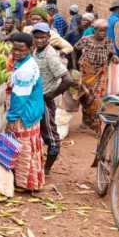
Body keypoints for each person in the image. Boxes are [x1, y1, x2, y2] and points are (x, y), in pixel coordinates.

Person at [32, 23, 73, 175]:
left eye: (43, 37)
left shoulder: (50, 55)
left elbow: (68, 80)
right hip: (35, 99)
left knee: (51, 137)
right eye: (36, 37)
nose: (39, 40)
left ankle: (47, 169)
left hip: (44, 100)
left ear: (49, 38)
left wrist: (50, 95)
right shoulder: (37, 50)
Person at [6, 32, 46, 191]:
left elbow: (20, 98)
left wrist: (11, 119)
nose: (16, 52)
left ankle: (24, 183)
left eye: (21, 49)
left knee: (22, 149)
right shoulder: (26, 62)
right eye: (14, 49)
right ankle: (31, 181)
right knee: (29, 147)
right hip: (32, 112)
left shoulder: (26, 69)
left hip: (24, 114)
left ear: (30, 48)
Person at [75, 19, 114, 132]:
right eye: (100, 31)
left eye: (105, 31)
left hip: (101, 72)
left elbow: (111, 54)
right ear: (94, 30)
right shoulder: (86, 40)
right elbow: (75, 49)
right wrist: (76, 66)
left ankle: (96, 125)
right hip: (86, 71)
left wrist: (110, 61)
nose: (103, 33)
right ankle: (85, 121)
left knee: (97, 99)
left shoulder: (108, 41)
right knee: (86, 98)